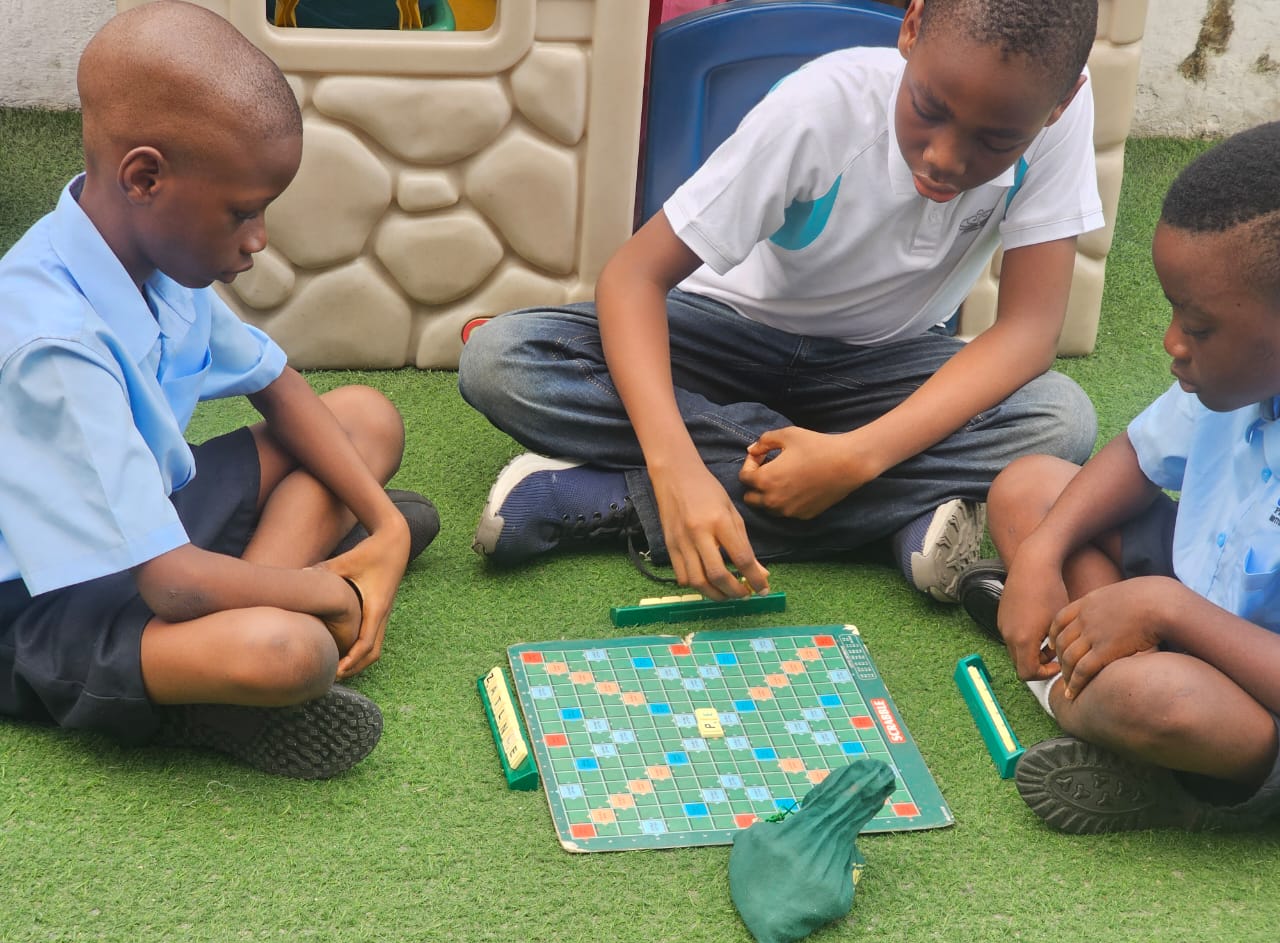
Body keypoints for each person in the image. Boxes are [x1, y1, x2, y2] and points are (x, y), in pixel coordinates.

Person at [458, 0, 1101, 604]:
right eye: (927, 109)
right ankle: (889, 515)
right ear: (912, 26)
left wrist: (856, 457)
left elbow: (1028, 330)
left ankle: (621, 497)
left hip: (880, 372)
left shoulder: (1062, 113)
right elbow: (633, 278)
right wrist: (676, 466)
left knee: (1058, 418)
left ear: (1059, 102)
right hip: (722, 338)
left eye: (995, 143)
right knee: (501, 359)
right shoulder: (822, 106)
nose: (943, 158)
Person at [0, 1, 439, 779]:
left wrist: (385, 528)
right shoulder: (51, 344)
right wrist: (322, 596)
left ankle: (285, 578)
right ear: (145, 177)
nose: (259, 238)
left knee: (364, 420)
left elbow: (277, 384)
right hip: (41, 599)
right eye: (243, 211)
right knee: (289, 650)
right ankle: (228, 667)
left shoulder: (158, 260)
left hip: (151, 527)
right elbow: (168, 584)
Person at [958, 122, 1280, 834]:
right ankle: (1092, 661)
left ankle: (1078, 693)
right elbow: (1136, 457)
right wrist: (1043, 555)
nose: (1171, 343)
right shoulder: (1238, 383)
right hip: (1180, 602)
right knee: (1030, 488)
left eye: (1198, 327)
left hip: (1250, 704)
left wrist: (1165, 609)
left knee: (1165, 705)